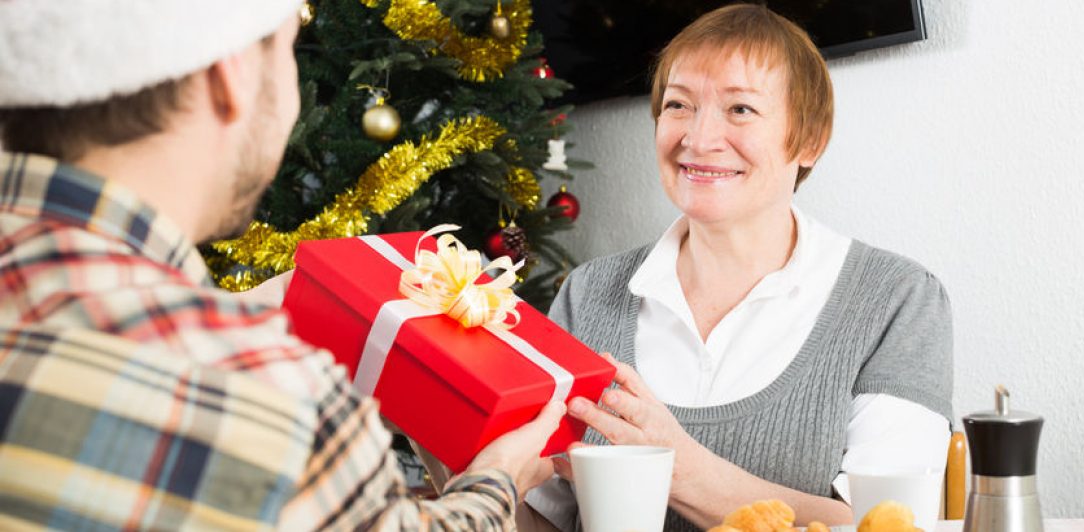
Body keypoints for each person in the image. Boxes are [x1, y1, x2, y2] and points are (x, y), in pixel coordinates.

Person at [0, 1, 564, 529]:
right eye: (289, 51)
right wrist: (498, 484)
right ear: (232, 76)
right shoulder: (271, 391)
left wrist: (230, 312)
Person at [524, 4, 953, 530]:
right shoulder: (587, 293)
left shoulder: (897, 300)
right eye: (678, 105)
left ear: (811, 140)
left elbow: (886, 523)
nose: (698, 139)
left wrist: (677, 467)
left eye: (741, 109)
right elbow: (546, 519)